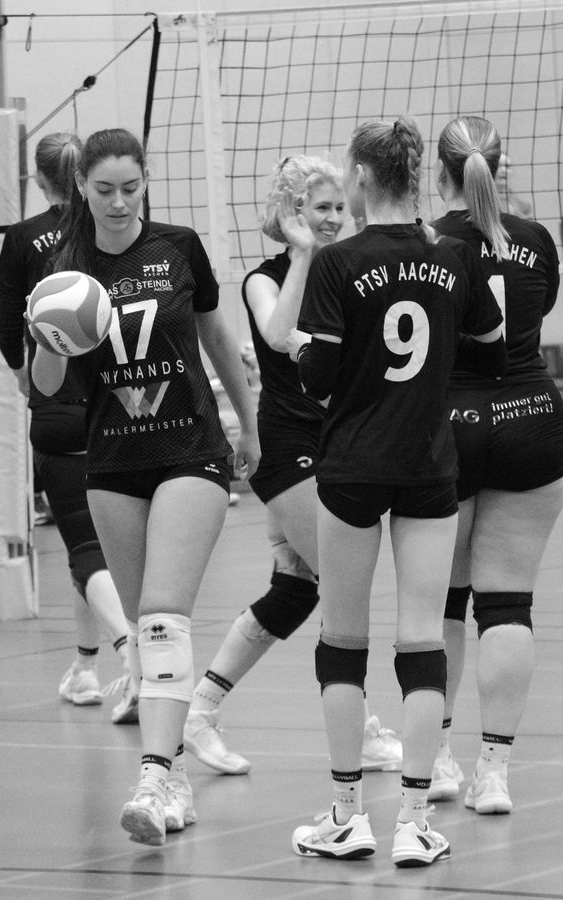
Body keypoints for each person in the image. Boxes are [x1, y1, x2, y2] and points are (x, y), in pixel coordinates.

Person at [30, 127, 260, 847]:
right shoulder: (68, 269)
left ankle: (152, 777)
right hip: (113, 463)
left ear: (146, 181)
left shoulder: (178, 248)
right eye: (104, 190)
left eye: (131, 187)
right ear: (82, 189)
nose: (120, 202)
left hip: (190, 450)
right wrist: (47, 330)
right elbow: (47, 385)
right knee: (143, 639)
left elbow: (218, 340)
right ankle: (176, 779)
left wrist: (251, 427)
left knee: (163, 617)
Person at [286, 116, 506, 867]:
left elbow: (317, 379)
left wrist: (319, 357)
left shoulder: (337, 262)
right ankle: (414, 819)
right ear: (413, 176)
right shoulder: (454, 255)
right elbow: (493, 350)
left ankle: (348, 816)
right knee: (422, 639)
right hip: (428, 465)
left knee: (342, 640)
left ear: (360, 176)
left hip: (351, 465)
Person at [185, 155, 402, 777]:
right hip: (287, 448)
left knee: (295, 590)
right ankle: (361, 732)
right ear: (292, 212)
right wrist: (303, 254)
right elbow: (280, 335)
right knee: (341, 583)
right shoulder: (266, 278)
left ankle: (199, 713)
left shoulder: (353, 271)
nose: (333, 218)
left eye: (338, 207)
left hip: (339, 442)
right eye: (319, 207)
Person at [428, 115, 563, 813]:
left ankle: (438, 760)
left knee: (440, 601)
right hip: (532, 417)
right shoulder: (536, 240)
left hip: (449, 424)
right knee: (509, 604)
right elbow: (535, 319)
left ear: (438, 172)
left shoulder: (426, 244)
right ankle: (495, 774)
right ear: (497, 166)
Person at [0, 132, 136, 721]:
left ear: (39, 178)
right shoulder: (110, 236)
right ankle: (85, 666)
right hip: (117, 408)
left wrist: (29, 377)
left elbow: (9, 332)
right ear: (84, 180)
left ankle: (130, 654)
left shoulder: (25, 239)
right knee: (102, 550)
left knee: (84, 550)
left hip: (59, 410)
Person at [496, 152, 533, 219]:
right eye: (498, 166)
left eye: (507, 166)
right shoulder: (481, 201)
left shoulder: (521, 205)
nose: (503, 170)